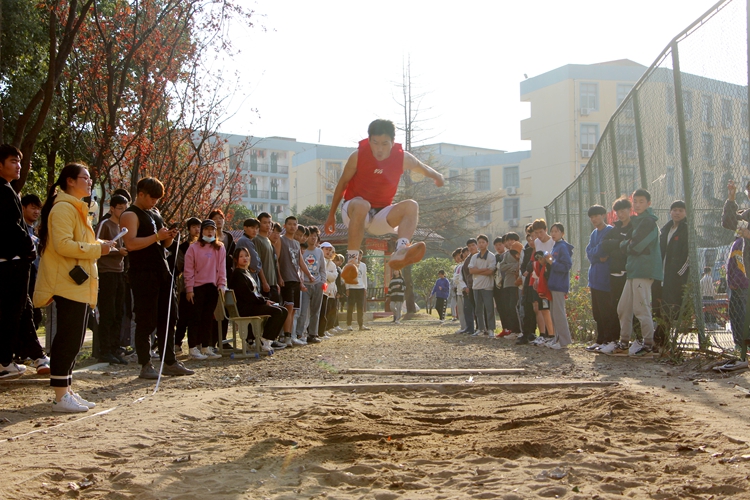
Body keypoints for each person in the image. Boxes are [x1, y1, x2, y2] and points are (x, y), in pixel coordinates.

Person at [34, 163, 116, 411]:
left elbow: (80, 242)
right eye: (85, 178)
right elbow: (63, 245)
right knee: (68, 339)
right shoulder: (63, 209)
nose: (89, 182)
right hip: (66, 282)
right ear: (70, 181)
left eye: (90, 178)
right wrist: (96, 249)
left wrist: (101, 244)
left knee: (76, 339)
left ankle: (66, 389)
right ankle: (60, 396)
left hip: (78, 283)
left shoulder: (77, 209)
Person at [324, 119, 444, 283]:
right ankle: (352, 261)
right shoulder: (358, 156)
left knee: (411, 206)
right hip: (354, 210)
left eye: (385, 144)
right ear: (369, 140)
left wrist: (437, 176)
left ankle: (401, 249)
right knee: (362, 204)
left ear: (393, 142)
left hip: (381, 214)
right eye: (375, 143)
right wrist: (331, 214)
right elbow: (342, 184)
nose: (379, 149)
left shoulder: (402, 158)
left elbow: (422, 168)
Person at [121, 177, 194, 380]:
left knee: (169, 317)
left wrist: (169, 235)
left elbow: (166, 245)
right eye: (152, 198)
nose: (154, 202)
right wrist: (157, 237)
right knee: (146, 319)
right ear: (141, 193)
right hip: (143, 273)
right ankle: (145, 363)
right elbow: (131, 243)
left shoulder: (155, 213)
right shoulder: (130, 214)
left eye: (157, 199)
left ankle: (169, 361)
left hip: (162, 271)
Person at [0, 145, 48, 379]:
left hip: (13, 260)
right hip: (12, 262)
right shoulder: (4, 192)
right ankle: (4, 360)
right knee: (13, 311)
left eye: (19, 161)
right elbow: (12, 228)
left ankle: (35, 356)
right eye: (12, 161)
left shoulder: (9, 189)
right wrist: (29, 249)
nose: (18, 166)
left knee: (23, 309)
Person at [613, 189, 662, 357]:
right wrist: (628, 244)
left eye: (642, 201)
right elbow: (631, 244)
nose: (638, 204)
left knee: (641, 309)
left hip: (644, 270)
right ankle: (624, 343)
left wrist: (623, 245)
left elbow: (635, 246)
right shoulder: (638, 221)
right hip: (633, 270)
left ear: (648, 203)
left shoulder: (648, 221)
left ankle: (649, 345)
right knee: (623, 308)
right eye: (636, 202)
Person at [229, 247, 289, 352]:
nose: (245, 258)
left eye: (247, 256)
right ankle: (264, 339)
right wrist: (264, 302)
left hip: (255, 304)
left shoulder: (247, 273)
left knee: (284, 310)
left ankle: (267, 339)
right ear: (236, 259)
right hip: (246, 307)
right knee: (277, 312)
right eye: (241, 256)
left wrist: (266, 300)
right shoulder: (237, 274)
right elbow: (247, 295)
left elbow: (256, 293)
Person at [184, 219, 227, 360]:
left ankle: (205, 346)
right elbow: (188, 269)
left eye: (212, 229)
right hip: (197, 287)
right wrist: (189, 288)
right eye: (207, 229)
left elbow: (222, 269)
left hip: (212, 286)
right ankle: (192, 347)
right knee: (195, 317)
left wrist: (222, 285)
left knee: (208, 318)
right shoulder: (193, 248)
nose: (210, 232)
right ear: (202, 231)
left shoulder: (219, 247)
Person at [96, 194, 130, 365]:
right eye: (120, 208)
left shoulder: (122, 226)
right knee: (108, 312)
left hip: (119, 272)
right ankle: (105, 350)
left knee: (118, 312)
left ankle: (116, 348)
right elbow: (96, 245)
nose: (123, 211)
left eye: (125, 208)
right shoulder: (105, 224)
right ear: (112, 208)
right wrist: (118, 252)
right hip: (106, 272)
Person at [598, 197, 632, 354]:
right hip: (614, 273)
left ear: (629, 210)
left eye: (624, 210)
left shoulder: (634, 227)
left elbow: (630, 249)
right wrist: (620, 243)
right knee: (615, 307)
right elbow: (604, 245)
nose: (621, 213)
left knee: (631, 308)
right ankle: (615, 340)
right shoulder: (614, 229)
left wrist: (616, 247)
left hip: (629, 273)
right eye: (618, 211)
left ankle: (632, 340)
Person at [653, 200, 689, 346]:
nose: (677, 213)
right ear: (670, 212)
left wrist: (678, 274)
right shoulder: (665, 229)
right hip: (660, 276)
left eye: (680, 210)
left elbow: (688, 256)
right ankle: (660, 340)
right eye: (674, 210)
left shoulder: (686, 230)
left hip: (675, 278)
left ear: (685, 213)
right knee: (659, 307)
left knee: (670, 308)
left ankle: (662, 340)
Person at [584, 205, 617, 352]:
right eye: (591, 217)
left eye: (596, 216)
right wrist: (597, 255)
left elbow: (603, 249)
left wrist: (595, 253)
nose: (594, 219)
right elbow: (589, 253)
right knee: (597, 312)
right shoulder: (593, 234)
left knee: (606, 311)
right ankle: (600, 339)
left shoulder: (609, 231)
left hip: (605, 278)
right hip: (594, 278)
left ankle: (609, 339)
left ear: (603, 215)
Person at [278, 216, 314, 345]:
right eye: (290, 224)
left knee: (294, 310)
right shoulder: (281, 240)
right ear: (285, 226)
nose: (292, 227)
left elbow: (300, 262)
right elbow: (276, 260)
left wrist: (308, 275)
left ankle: (291, 336)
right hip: (286, 279)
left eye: (295, 224)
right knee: (288, 307)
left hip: (295, 280)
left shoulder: (296, 243)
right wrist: (279, 277)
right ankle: (286, 337)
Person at [174, 217, 202, 352]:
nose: (197, 230)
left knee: (198, 316)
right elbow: (180, 265)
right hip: (186, 286)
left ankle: (198, 342)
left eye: (199, 227)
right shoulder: (184, 247)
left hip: (202, 285)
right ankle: (177, 342)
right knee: (184, 316)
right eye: (194, 227)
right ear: (189, 229)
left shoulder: (205, 246)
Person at [296, 228, 327, 344]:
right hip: (304, 285)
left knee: (316, 311)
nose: (313, 238)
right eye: (311, 236)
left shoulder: (319, 252)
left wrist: (322, 282)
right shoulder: (302, 250)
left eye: (315, 236)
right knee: (303, 311)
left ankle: (313, 334)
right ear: (306, 237)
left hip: (317, 284)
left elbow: (323, 269)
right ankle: (300, 334)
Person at [546, 223, 573, 349]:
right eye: (552, 231)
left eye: (556, 231)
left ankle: (564, 341)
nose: (553, 234)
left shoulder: (562, 247)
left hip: (559, 284)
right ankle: (557, 339)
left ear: (562, 233)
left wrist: (552, 262)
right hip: (554, 284)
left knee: (559, 313)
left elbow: (567, 265)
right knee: (554, 313)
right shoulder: (555, 246)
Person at [21, 194, 43, 330]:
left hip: (35, 278)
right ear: (23, 208)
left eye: (38, 209)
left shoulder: (34, 231)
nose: (36, 212)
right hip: (24, 278)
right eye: (33, 208)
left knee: (35, 316)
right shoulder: (20, 229)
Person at [468, 234, 496, 337]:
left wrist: (477, 271)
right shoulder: (474, 257)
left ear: (487, 243)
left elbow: (491, 271)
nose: (481, 244)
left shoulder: (491, 256)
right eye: (479, 242)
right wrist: (484, 269)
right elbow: (471, 270)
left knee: (489, 308)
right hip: (476, 286)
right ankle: (480, 328)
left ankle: (491, 329)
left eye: (483, 242)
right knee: (478, 309)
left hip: (487, 286)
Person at [727, 231, 749, 350]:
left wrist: (733, 282)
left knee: (740, 315)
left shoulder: (740, 242)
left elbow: (737, 265)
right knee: (739, 314)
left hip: (741, 285)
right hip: (740, 284)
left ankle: (742, 343)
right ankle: (741, 343)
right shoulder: (739, 242)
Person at [517, 225, 538, 345]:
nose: (531, 241)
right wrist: (527, 270)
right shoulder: (527, 250)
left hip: (537, 281)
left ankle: (535, 332)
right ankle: (526, 332)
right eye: (529, 239)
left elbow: (530, 266)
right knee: (526, 306)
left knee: (537, 308)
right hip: (528, 281)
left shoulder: (540, 248)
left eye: (533, 238)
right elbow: (524, 267)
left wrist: (528, 269)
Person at [497, 241, 523, 337]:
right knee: (508, 307)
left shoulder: (521, 251)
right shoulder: (507, 254)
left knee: (514, 306)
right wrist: (513, 267)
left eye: (511, 240)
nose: (509, 243)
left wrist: (512, 267)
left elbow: (521, 264)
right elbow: (502, 266)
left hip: (516, 283)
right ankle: (512, 329)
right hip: (507, 283)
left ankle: (518, 329)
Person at [346, 250, 369, 331]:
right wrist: (347, 288)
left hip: (360, 288)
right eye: (357, 255)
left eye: (360, 255)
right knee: (350, 307)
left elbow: (364, 277)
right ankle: (349, 324)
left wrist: (365, 288)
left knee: (360, 307)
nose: (359, 257)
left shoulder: (363, 265)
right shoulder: (349, 264)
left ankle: (361, 325)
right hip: (352, 288)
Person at [459, 242, 478, 335]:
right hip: (469, 287)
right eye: (469, 247)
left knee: (479, 308)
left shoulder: (481, 256)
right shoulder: (467, 261)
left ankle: (482, 327)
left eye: (473, 245)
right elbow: (465, 276)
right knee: (468, 308)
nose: (471, 248)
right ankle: (470, 327)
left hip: (480, 285)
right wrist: (466, 286)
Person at [321, 242, 339, 337]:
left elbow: (333, 277)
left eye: (331, 251)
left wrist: (326, 273)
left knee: (327, 311)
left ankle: (324, 329)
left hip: (329, 291)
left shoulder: (332, 264)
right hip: (321, 290)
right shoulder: (321, 260)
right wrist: (328, 274)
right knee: (321, 312)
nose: (329, 253)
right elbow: (322, 273)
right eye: (327, 250)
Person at [450, 248, 465, 332]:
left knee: (465, 310)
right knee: (460, 310)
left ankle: (467, 327)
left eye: (458, 256)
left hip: (464, 289)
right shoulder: (457, 267)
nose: (457, 259)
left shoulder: (464, 264)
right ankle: (463, 326)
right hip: (458, 291)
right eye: (455, 258)